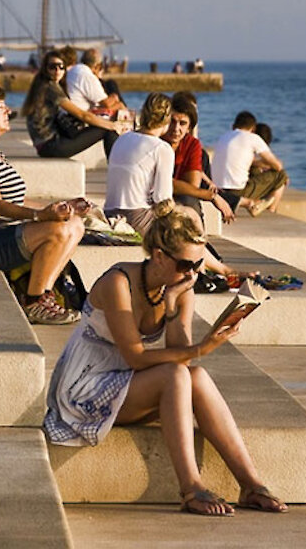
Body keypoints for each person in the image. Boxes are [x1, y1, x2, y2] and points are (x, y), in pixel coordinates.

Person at [43, 201, 288, 517]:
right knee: (175, 376)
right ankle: (190, 489)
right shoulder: (118, 283)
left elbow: (181, 358)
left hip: (126, 384)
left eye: (199, 265)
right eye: (187, 265)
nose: (194, 273)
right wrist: (202, 348)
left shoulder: (180, 288)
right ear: (158, 256)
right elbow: (135, 357)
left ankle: (251, 483)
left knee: (195, 376)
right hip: (85, 387)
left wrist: (172, 305)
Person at [0, 84, 91, 325]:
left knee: (75, 225)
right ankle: (34, 302)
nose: (8, 111)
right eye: (0, 106)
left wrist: (62, 207)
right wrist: (40, 216)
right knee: (57, 230)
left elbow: (15, 199)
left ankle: (44, 296)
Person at [22, 50, 125, 159]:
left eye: (61, 67)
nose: (57, 71)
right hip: (50, 145)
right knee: (108, 128)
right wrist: (112, 125)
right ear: (45, 69)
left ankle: (116, 167)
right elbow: (82, 115)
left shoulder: (44, 84)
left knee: (104, 125)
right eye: (53, 67)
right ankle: (117, 168)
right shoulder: (50, 88)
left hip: (46, 143)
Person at [104, 93, 175, 235]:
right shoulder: (162, 148)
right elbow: (162, 198)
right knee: (190, 217)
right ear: (167, 119)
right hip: (136, 219)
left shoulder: (122, 139)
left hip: (109, 213)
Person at [165, 95, 235, 226]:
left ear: (189, 127)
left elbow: (193, 186)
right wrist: (212, 196)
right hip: (154, 199)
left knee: (189, 202)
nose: (176, 128)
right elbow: (160, 184)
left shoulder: (192, 145)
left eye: (182, 123)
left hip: (182, 198)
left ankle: (197, 241)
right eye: (172, 122)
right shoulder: (156, 142)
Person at [211, 111, 289, 216]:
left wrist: (257, 164)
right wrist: (266, 165)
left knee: (254, 170)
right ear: (253, 128)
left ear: (233, 126)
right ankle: (271, 211)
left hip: (217, 190)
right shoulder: (253, 138)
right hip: (237, 192)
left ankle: (262, 206)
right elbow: (278, 166)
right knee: (281, 175)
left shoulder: (223, 137)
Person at [64, 47, 126, 118]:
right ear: (96, 66)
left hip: (73, 112)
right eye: (100, 67)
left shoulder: (75, 69)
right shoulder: (87, 75)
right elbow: (106, 104)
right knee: (120, 105)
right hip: (82, 115)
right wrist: (114, 97)